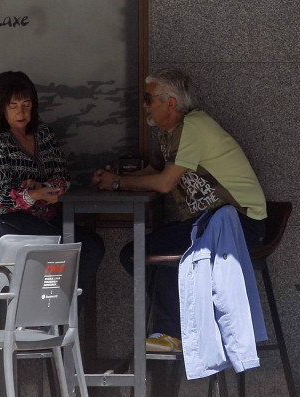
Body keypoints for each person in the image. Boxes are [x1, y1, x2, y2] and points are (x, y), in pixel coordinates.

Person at [92, 68, 267, 353]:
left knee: (138, 254)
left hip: (238, 225)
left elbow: (164, 183)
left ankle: (174, 330)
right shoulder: (170, 133)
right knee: (139, 253)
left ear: (170, 103)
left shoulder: (192, 127)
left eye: (149, 99)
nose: (145, 105)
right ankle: (180, 326)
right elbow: (154, 171)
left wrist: (118, 184)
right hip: (212, 223)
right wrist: (114, 181)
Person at [0, 71, 105, 310]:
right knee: (59, 247)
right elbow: (0, 195)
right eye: (13, 105)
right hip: (5, 221)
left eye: (26, 104)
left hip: (43, 218)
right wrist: (32, 194)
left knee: (92, 245)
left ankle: (66, 315)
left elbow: (62, 175)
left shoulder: (42, 134)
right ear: (0, 107)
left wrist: (47, 188)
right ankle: (42, 316)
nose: (21, 112)